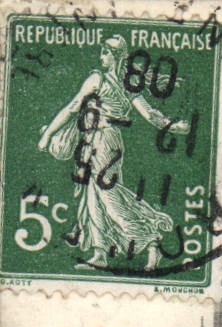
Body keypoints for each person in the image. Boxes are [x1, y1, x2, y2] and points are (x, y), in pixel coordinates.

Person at [36, 35, 191, 271]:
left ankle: (149, 241)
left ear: (116, 56)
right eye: (101, 52)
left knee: (108, 197)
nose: (101, 57)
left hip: (104, 141)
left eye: (106, 53)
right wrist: (171, 125)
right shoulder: (129, 85)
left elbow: (72, 108)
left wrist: (47, 136)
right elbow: (151, 115)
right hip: (102, 141)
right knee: (93, 197)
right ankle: (100, 253)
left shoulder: (98, 79)